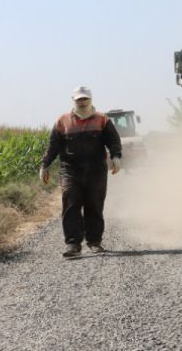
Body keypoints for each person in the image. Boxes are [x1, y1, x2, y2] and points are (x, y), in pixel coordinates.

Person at [39, 86, 122, 257]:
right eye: (79, 99)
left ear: (91, 100)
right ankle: (73, 244)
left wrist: (116, 157)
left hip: (96, 170)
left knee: (94, 205)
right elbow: (53, 146)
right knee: (71, 204)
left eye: (85, 99)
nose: (82, 102)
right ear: (73, 101)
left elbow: (113, 140)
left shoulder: (102, 120)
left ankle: (94, 242)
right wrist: (44, 165)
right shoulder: (62, 121)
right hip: (70, 171)